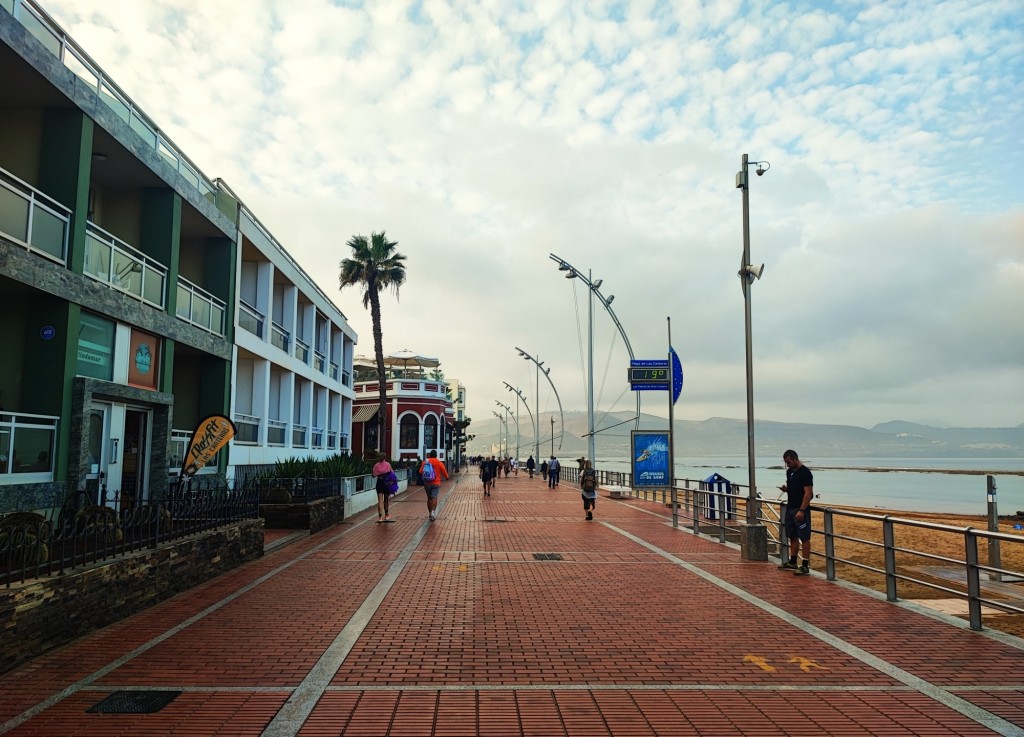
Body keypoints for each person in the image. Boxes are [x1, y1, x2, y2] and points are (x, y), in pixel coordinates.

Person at [778, 449, 814, 575]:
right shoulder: (790, 472)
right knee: (792, 535)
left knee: (804, 537)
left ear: (794, 459)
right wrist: (786, 489)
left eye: (789, 462)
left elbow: (808, 493)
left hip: (800, 509)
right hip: (790, 507)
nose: (787, 465)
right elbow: (794, 488)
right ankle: (793, 561)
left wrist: (802, 510)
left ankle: (805, 565)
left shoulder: (805, 473)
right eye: (786, 463)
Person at [421, 450, 449, 521]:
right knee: (434, 497)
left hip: (427, 483)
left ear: (430, 455)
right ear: (436, 455)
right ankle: (433, 513)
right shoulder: (439, 462)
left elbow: (420, 471)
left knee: (429, 498)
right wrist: (446, 477)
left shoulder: (425, 462)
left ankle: (429, 513)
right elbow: (443, 470)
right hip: (436, 483)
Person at [372, 454, 394, 523]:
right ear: (385, 457)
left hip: (379, 483)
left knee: (380, 501)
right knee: (386, 500)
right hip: (386, 483)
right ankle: (387, 515)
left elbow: (373, 475)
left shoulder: (376, 465)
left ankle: (380, 517)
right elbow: (392, 473)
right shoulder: (388, 464)